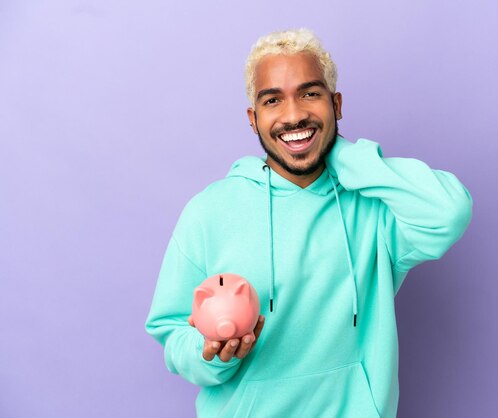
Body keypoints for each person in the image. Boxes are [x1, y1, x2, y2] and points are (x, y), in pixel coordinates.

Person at [145, 28, 473, 418]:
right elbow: (171, 328)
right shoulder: (208, 212)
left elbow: (448, 211)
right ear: (253, 119)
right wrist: (212, 356)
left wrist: (341, 154)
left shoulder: (375, 211)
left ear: (337, 104)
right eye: (272, 100)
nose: (294, 114)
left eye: (310, 94)